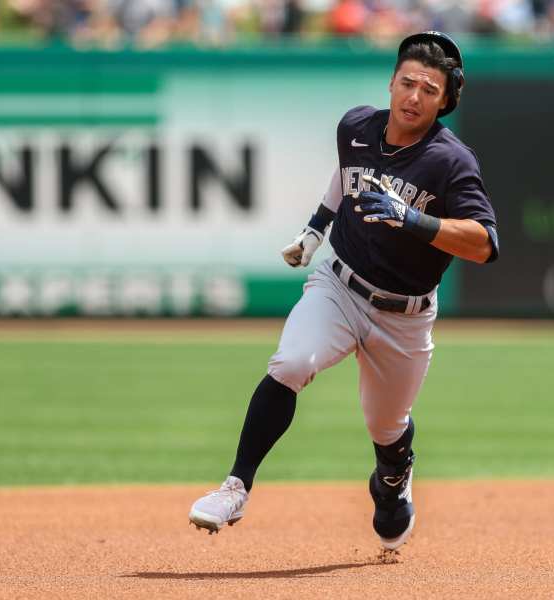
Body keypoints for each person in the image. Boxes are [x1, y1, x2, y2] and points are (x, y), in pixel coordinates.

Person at [189, 30, 499, 551]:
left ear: (446, 100)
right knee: (291, 362)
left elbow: (486, 243)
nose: (413, 96)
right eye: (406, 82)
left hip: (405, 315)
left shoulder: (451, 161)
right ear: (391, 81)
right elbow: (346, 173)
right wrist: (315, 229)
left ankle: (392, 480)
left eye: (428, 89)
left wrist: (416, 221)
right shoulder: (356, 126)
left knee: (386, 425)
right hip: (340, 286)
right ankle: (235, 486)